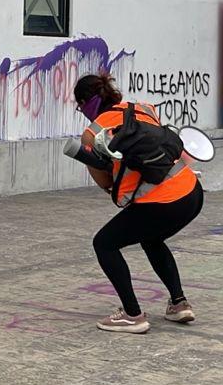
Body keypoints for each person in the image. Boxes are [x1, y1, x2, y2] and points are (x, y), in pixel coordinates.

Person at [73, 73, 203, 334]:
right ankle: (179, 303)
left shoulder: (94, 132)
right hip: (191, 192)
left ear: (85, 103)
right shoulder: (143, 109)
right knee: (151, 238)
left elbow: (104, 183)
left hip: (161, 202)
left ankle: (133, 314)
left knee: (104, 243)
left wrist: (96, 160)